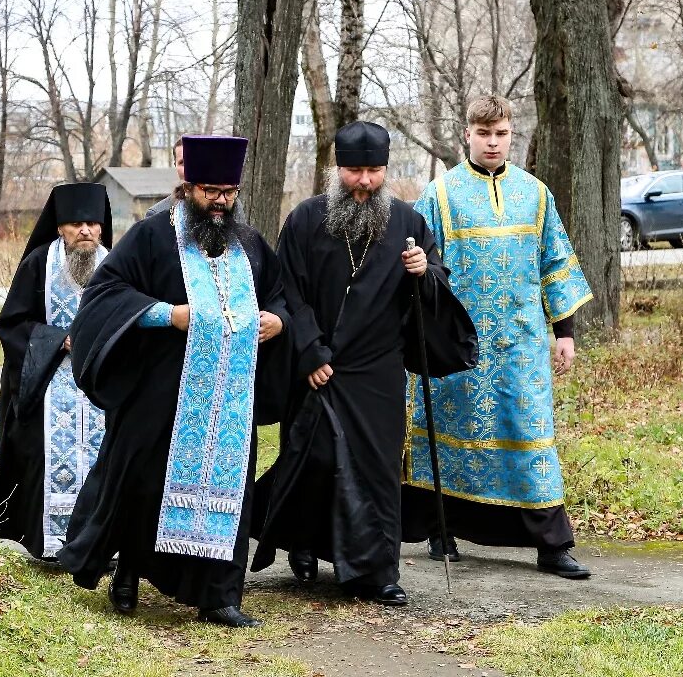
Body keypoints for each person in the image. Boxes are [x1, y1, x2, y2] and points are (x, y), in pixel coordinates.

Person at [58, 135, 289, 628]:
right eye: (211, 190)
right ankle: (129, 574)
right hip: (160, 389)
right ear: (187, 186)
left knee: (231, 493)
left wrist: (279, 321)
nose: (222, 201)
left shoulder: (248, 243)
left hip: (230, 398)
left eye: (229, 190)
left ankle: (219, 594)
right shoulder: (152, 237)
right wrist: (166, 315)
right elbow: (106, 294)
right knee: (145, 485)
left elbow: (282, 294)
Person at [250, 121, 477, 606]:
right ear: (338, 169)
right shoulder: (306, 220)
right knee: (316, 461)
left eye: (374, 171)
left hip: (377, 370)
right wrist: (309, 350)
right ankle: (305, 545)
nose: (365, 182)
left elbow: (437, 280)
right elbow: (287, 291)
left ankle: (376, 572)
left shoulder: (408, 223)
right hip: (320, 364)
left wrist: (425, 273)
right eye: (355, 170)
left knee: (376, 471)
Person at [403, 95, 594, 579]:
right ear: (467, 134)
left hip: (521, 345)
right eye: (484, 133)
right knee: (452, 435)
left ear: (512, 134)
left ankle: (552, 545)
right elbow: (423, 266)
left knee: (530, 434)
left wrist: (564, 333)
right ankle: (440, 529)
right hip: (459, 344)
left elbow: (555, 264)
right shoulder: (439, 195)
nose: (493, 142)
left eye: (502, 133)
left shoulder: (535, 193)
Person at [0, 182, 113, 559]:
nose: (84, 231)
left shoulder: (116, 263)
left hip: (103, 378)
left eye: (91, 223)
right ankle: (48, 540)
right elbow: (13, 324)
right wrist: (59, 340)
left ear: (101, 227)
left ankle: (97, 540)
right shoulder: (39, 264)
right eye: (75, 224)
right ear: (59, 228)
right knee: (38, 442)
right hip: (48, 378)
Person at [145, 138, 186, 218]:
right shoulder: (156, 215)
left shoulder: (216, 209)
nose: (189, 168)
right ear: (175, 166)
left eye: (194, 161)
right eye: (183, 163)